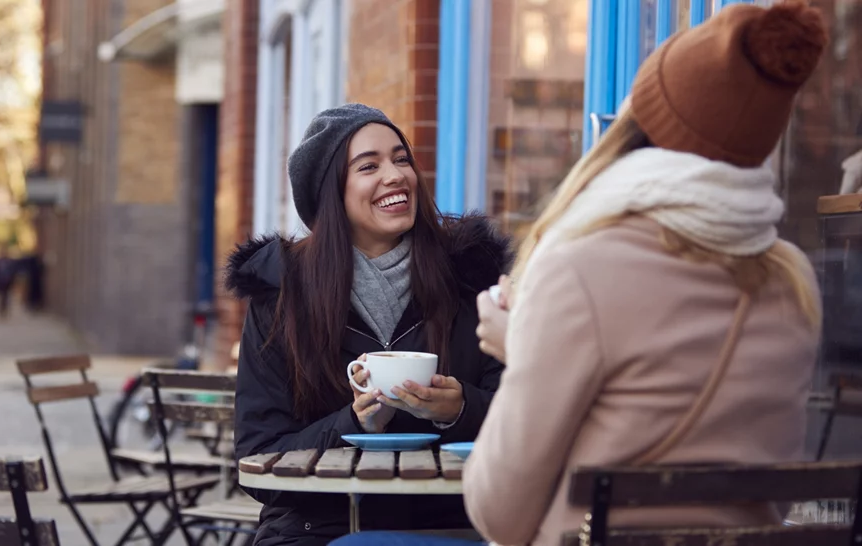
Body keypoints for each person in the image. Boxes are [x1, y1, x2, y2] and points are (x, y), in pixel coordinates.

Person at [462, 3, 826, 546]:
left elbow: (499, 516)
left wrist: (527, 350)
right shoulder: (792, 277)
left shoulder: (581, 268)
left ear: (638, 126)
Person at [227, 103, 509, 546]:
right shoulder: (281, 295)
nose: (396, 176)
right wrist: (354, 425)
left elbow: (526, 421)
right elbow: (258, 460)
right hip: (316, 529)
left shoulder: (472, 277)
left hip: (452, 522)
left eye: (401, 159)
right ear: (330, 193)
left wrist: (458, 410)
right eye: (369, 166)